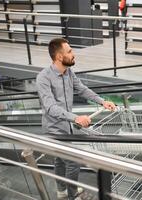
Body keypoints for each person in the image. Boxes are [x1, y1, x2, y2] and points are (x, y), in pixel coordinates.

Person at [36, 38, 115, 200]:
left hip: (68, 125)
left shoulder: (69, 73)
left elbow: (82, 89)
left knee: (60, 160)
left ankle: (61, 190)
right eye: (70, 51)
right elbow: (50, 107)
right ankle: (74, 194)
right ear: (59, 56)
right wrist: (76, 118)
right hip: (54, 129)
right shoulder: (43, 78)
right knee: (73, 160)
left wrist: (102, 101)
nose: (73, 54)